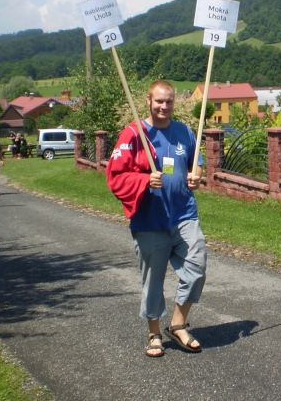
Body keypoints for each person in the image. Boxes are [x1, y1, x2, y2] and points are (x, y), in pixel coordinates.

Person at [107, 80, 206, 358]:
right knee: (154, 280)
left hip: (184, 214)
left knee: (197, 266)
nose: (164, 106)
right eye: (159, 101)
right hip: (150, 220)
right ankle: (153, 332)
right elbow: (115, 177)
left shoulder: (185, 132)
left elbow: (196, 162)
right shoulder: (133, 134)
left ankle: (177, 324)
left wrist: (196, 174)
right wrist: (143, 179)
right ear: (149, 101)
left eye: (169, 101)